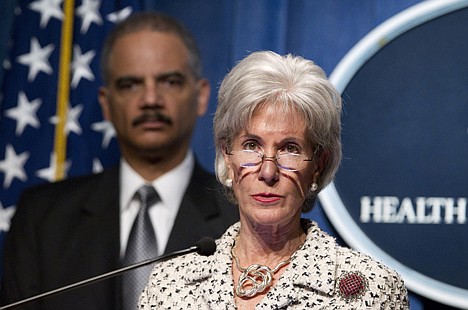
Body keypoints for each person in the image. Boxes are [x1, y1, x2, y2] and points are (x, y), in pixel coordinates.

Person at [0, 12, 238, 310]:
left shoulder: (242, 217)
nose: (150, 99)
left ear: (202, 96)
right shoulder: (42, 220)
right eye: (130, 85)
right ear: (106, 103)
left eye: (169, 81)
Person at [138, 51, 409, 309]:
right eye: (251, 145)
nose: (268, 172)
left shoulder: (369, 290)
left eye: (290, 148)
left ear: (319, 164)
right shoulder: (170, 283)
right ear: (226, 156)